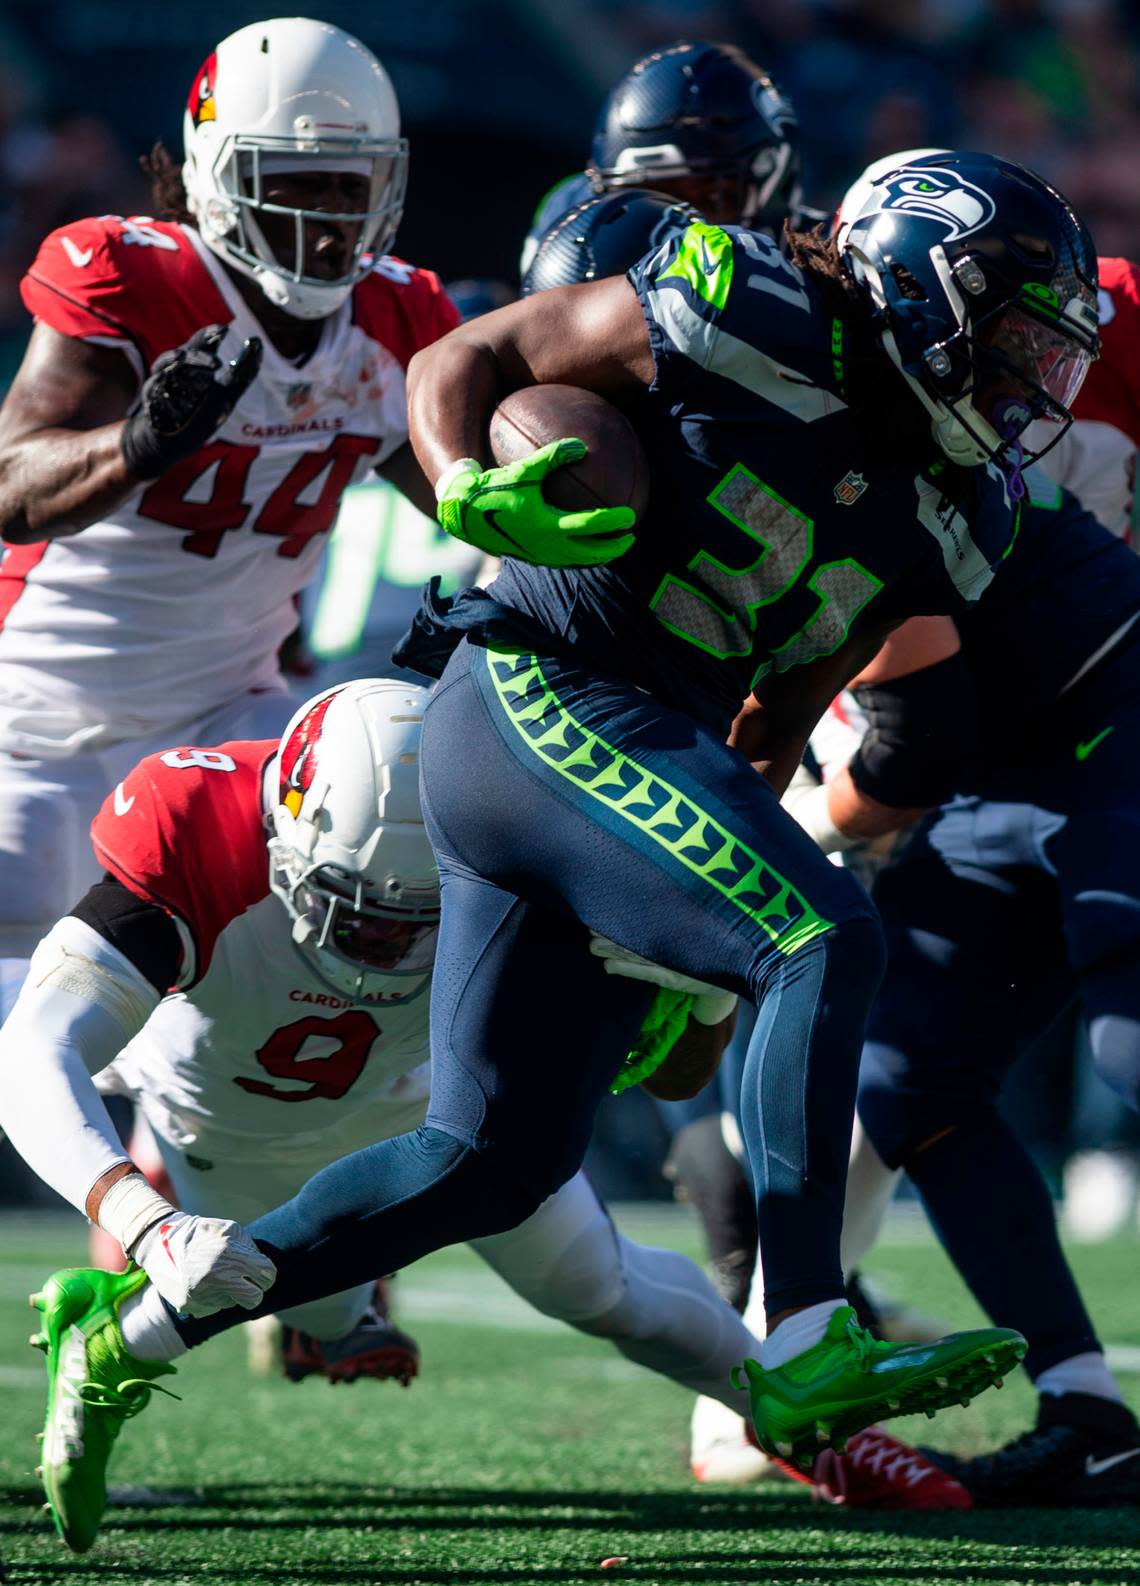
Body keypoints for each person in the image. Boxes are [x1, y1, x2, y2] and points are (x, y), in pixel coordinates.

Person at [34, 149, 1096, 1482]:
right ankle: (810, 1324)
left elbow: (772, 718)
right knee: (831, 938)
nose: (1027, 389)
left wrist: (695, 936)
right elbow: (461, 361)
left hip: (625, 761)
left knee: (487, 1162)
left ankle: (135, 1334)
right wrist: (461, 475)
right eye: (1010, 346)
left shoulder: (958, 506)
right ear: (920, 282)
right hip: (543, 686)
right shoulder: (739, 298)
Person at [4, 678, 776, 1552]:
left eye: (422, 921)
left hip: (429, 1112)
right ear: (284, 832)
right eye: (363, 917)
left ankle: (805, 1418)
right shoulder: (196, 825)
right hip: (229, 1125)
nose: (390, 948)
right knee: (317, 1314)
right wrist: (145, 1222)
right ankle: (309, 1324)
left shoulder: (522, 834)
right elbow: (33, 1051)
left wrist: (697, 980)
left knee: (599, 1286)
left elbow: (676, 1071)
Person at [0, 17, 456, 972]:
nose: (329, 216)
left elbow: (471, 498)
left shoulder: (397, 313)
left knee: (387, 857)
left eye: (350, 183)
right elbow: (10, 488)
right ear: (219, 173)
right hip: (34, 722)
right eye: (296, 181)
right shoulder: (134, 275)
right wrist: (138, 444)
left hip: (223, 728)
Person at [520, 39, 813, 279]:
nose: (666, 232)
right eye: (636, 202)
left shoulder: (830, 263)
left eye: (703, 199)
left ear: (774, 173)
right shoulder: (573, 209)